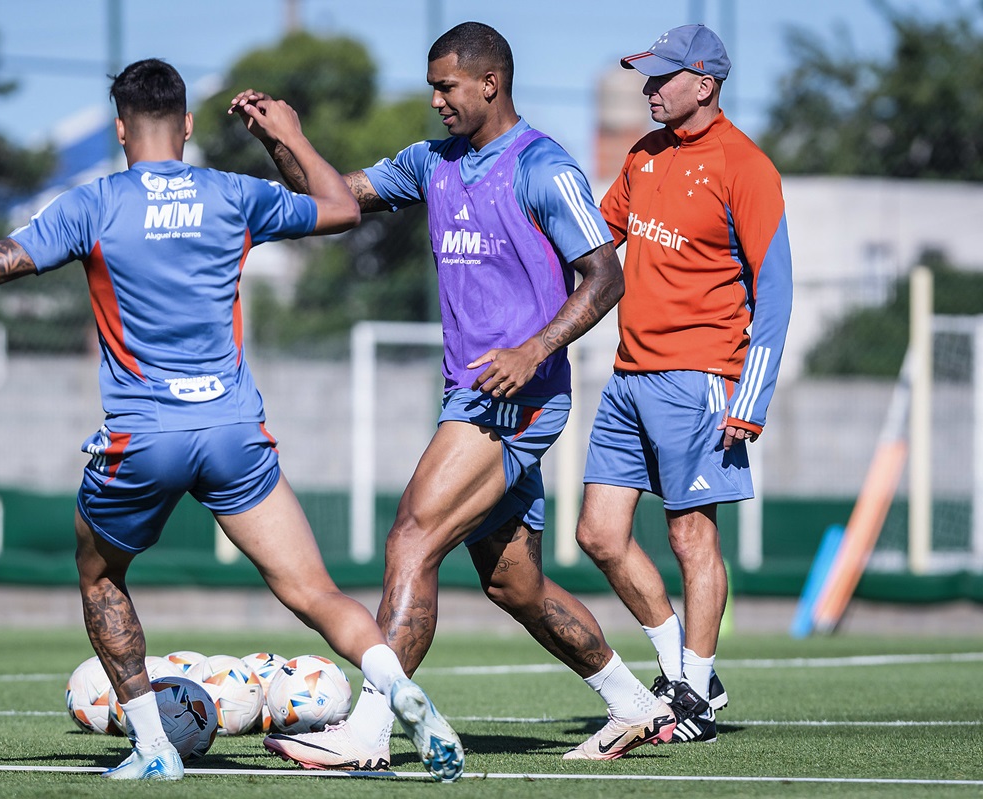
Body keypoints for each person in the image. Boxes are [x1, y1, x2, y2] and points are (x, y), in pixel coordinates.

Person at [0, 58, 465, 782]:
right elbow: (341, 207)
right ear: (189, 126)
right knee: (314, 590)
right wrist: (284, 135)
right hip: (233, 430)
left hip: (144, 436)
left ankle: (154, 744)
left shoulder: (93, 203)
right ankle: (398, 685)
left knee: (101, 574)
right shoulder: (232, 195)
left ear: (119, 128)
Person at [232, 21, 675, 766]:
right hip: (471, 398)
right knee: (515, 583)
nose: (436, 99)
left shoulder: (543, 166)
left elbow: (606, 274)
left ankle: (370, 731)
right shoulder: (429, 162)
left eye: (447, 86)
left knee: (412, 535)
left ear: (489, 83)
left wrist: (534, 347)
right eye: (432, 86)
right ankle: (631, 701)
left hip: (520, 396)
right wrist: (285, 139)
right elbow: (333, 202)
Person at [574, 24, 793, 743]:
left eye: (663, 77)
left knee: (690, 535)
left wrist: (750, 398)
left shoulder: (746, 166)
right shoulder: (643, 156)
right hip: (628, 376)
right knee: (599, 534)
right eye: (646, 75)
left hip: (700, 379)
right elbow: (596, 240)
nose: (648, 88)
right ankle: (683, 668)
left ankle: (692, 691)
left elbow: (777, 292)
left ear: (704, 84)